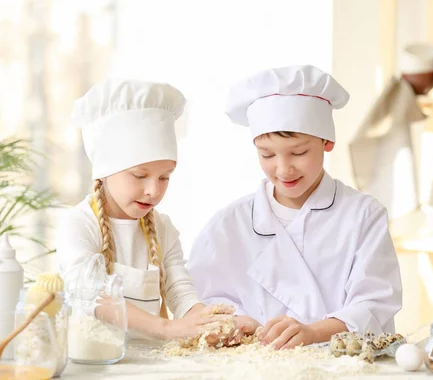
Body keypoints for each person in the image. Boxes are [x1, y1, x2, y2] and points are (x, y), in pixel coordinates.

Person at [186, 65, 403, 349]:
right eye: (267, 155)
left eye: (299, 153)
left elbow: (375, 303)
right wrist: (238, 321)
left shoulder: (363, 215)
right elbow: (205, 298)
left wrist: (313, 332)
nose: (283, 169)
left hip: (343, 366)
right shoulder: (230, 224)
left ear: (327, 142)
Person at [57, 79, 231, 340]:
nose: (154, 190)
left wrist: (207, 322)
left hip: (152, 363)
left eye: (165, 177)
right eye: (140, 175)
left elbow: (180, 291)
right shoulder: (80, 224)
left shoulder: (163, 228)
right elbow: (89, 293)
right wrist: (167, 328)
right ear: (105, 171)